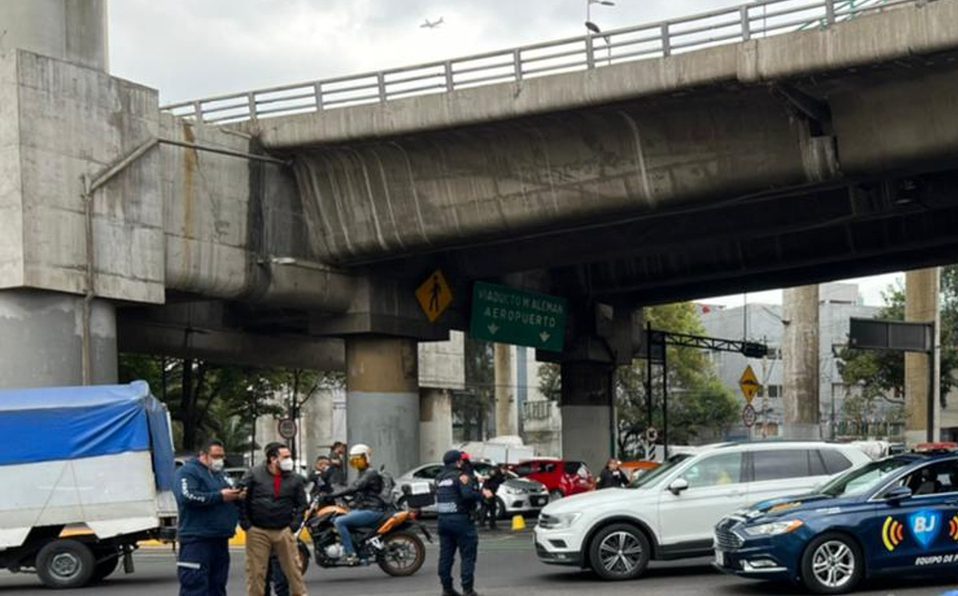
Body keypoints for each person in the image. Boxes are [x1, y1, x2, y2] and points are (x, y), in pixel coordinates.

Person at [174, 439, 242, 596]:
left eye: (222, 456)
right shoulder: (188, 472)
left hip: (219, 538)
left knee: (217, 585)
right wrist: (219, 496)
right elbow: (187, 496)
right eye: (216, 455)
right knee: (195, 585)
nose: (220, 459)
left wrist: (237, 496)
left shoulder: (220, 475)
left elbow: (227, 494)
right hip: (197, 539)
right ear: (203, 455)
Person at [240, 443, 308, 596]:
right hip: (258, 531)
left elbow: (302, 504)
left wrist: (294, 526)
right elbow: (241, 498)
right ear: (273, 459)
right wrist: (246, 525)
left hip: (284, 530)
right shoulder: (254, 474)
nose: (288, 460)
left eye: (289, 457)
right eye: (285, 457)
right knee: (256, 573)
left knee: (294, 571)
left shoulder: (295, 479)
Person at [328, 444, 387, 565]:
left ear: (366, 458)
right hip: (364, 507)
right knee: (334, 518)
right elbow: (359, 492)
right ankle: (355, 545)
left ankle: (351, 554)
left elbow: (355, 487)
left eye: (358, 459)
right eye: (354, 460)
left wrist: (333, 495)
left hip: (373, 510)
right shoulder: (362, 472)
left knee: (340, 522)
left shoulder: (370, 473)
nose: (356, 462)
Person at [436, 450, 481, 596]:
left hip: (443, 521)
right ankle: (468, 589)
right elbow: (467, 495)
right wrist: (481, 495)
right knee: (467, 556)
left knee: (446, 556)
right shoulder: (462, 476)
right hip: (461, 520)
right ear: (458, 462)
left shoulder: (439, 478)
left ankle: (446, 588)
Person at [480, 466, 505, 530]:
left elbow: (500, 481)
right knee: (486, 508)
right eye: (504, 470)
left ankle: (490, 524)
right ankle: (484, 524)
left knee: (492, 508)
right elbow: (487, 478)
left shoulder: (500, 475)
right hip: (488, 491)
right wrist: (486, 490)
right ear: (501, 469)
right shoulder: (494, 472)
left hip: (492, 492)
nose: (505, 471)